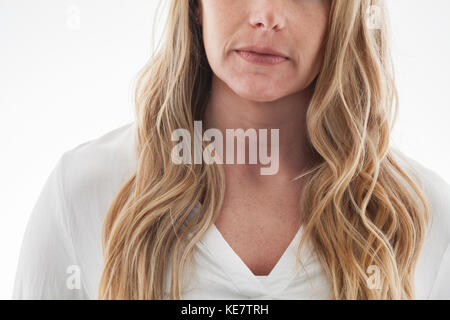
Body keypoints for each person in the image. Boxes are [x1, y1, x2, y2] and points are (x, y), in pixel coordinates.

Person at [13, 0, 450, 300]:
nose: (265, 15)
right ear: (196, 5)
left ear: (343, 14)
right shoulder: (84, 190)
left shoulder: (423, 216)